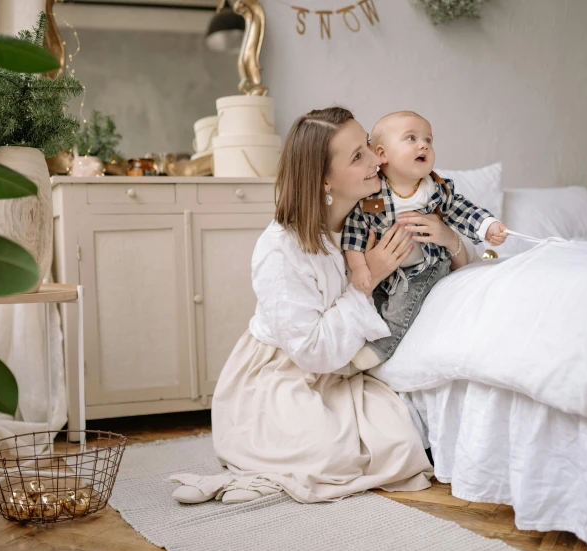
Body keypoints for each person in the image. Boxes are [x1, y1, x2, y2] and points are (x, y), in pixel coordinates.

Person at [169, 107, 469, 505]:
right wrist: (371, 278)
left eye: (368, 146)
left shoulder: (369, 220)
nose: (377, 159)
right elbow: (311, 351)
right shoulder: (280, 248)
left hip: (340, 369)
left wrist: (450, 239)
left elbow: (447, 271)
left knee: (398, 439)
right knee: (329, 453)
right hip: (281, 374)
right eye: (358, 156)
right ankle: (255, 476)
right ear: (325, 179)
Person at [343, 111, 507, 371]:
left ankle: (379, 349)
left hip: (425, 267)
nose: (424, 145)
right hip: (385, 272)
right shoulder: (372, 195)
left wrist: (488, 226)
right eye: (411, 138)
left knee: (403, 306)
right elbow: (353, 234)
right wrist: (360, 267)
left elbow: (463, 211)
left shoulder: (435, 190)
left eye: (429, 140)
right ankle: (352, 349)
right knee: (371, 305)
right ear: (383, 154)